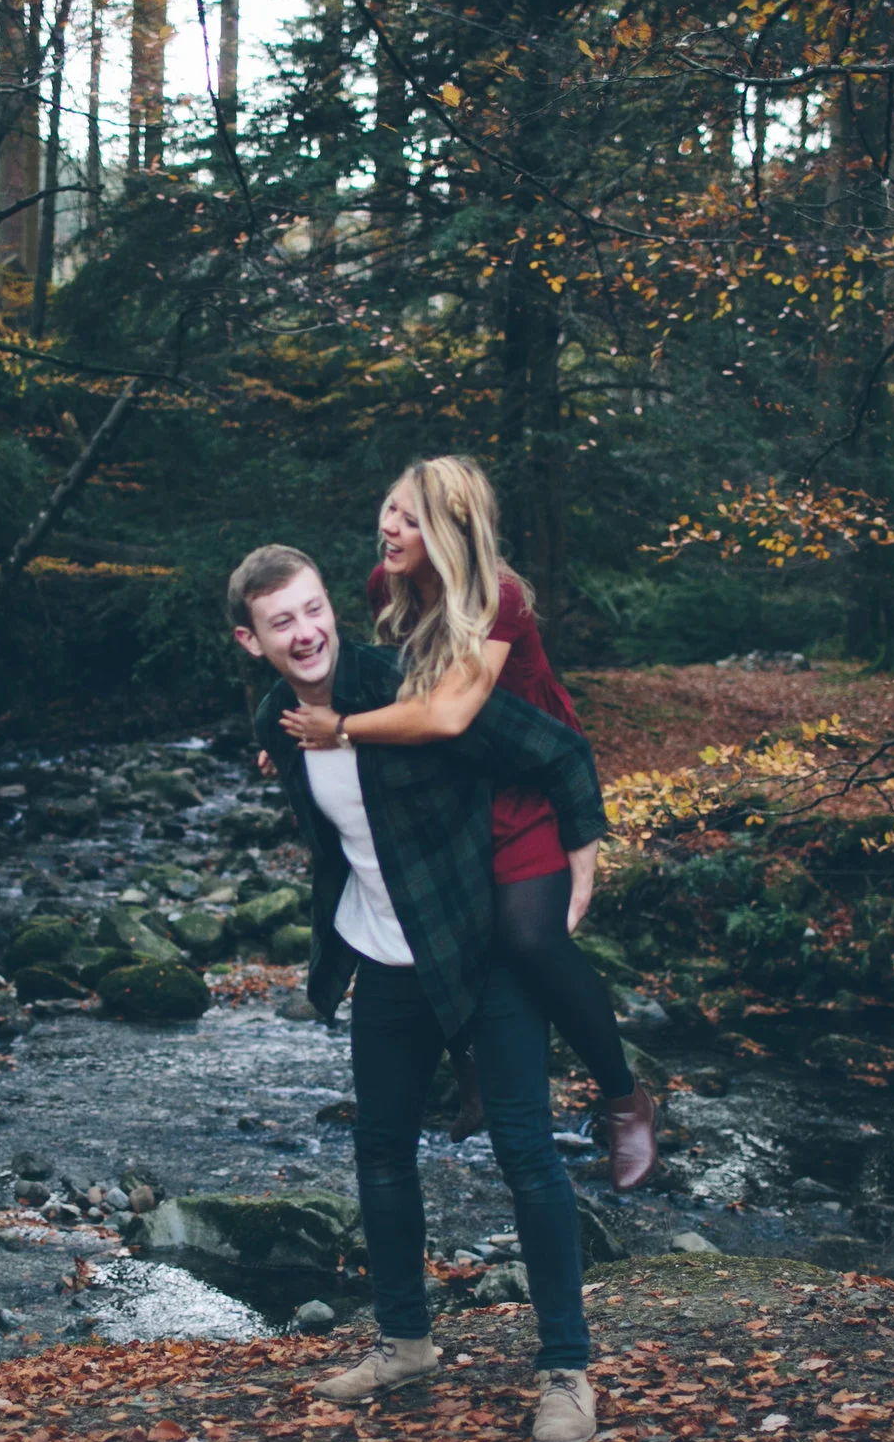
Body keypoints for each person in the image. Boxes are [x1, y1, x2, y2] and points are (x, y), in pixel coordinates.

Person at [230, 543, 605, 1442]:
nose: (306, 632)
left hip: (480, 944)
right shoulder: (277, 716)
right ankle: (404, 1344)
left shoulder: (410, 687)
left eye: (314, 609)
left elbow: (556, 747)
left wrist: (579, 872)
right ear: (252, 640)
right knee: (382, 1150)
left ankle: (567, 1369)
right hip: (386, 956)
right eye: (282, 622)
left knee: (526, 1151)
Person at [279, 457, 661, 1192]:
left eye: (412, 520)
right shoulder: (387, 587)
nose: (390, 528)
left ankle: (625, 1101)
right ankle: (473, 1067)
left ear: (453, 533)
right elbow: (378, 683)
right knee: (438, 917)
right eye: (390, 509)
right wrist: (292, 734)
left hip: (525, 777)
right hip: (453, 780)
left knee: (530, 937)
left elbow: (452, 712)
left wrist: (342, 729)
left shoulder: (498, 598)